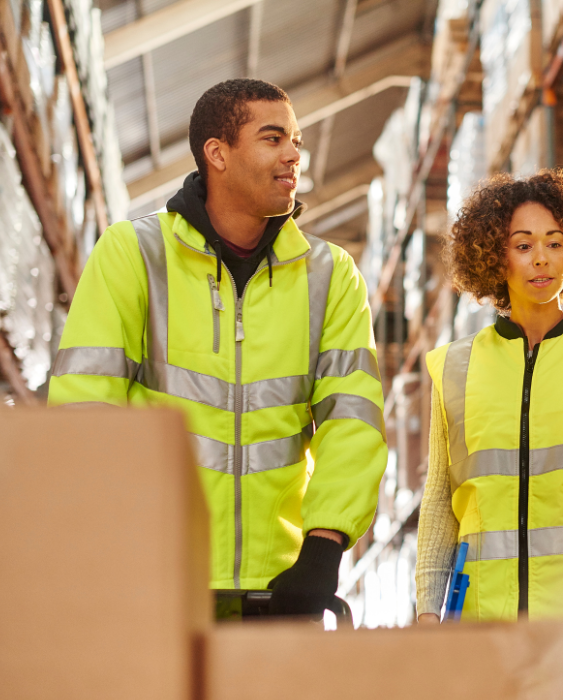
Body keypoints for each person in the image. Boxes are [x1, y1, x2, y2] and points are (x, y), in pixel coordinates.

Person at [48, 79, 387, 617]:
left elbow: (353, 418)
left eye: (296, 140)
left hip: (281, 587)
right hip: (152, 585)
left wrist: (324, 545)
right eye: (273, 138)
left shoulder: (330, 275)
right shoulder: (135, 255)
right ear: (217, 154)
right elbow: (86, 408)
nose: (294, 154)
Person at [416, 170, 563, 623]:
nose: (541, 259)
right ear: (495, 257)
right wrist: (426, 610)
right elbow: (441, 497)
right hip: (487, 619)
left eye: (555, 243)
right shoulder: (455, 366)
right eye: (523, 246)